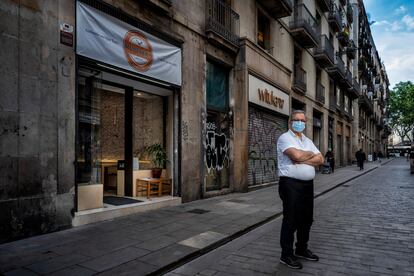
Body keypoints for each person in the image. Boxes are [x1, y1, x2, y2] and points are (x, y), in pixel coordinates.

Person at [277, 110, 324, 269]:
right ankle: (286, 254)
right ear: (290, 122)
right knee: (290, 220)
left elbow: (321, 159)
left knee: (306, 219)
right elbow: (295, 156)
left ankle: (301, 249)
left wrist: (306, 156)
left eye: (303, 120)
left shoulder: (307, 140)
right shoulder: (285, 138)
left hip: (307, 186)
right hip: (290, 184)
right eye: (297, 120)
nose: (300, 123)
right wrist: (310, 156)